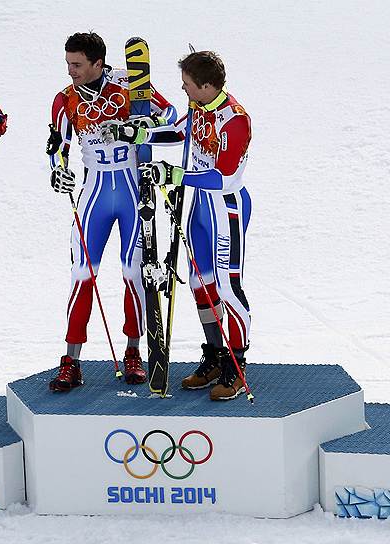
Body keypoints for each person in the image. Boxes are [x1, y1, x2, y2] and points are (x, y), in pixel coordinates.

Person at [107, 50, 252, 401]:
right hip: (198, 208)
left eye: (187, 85)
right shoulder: (201, 107)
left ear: (206, 85)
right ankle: (215, 356)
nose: (183, 90)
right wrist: (138, 135)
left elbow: (224, 176)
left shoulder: (234, 119)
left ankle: (237, 367)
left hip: (224, 207)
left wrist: (175, 175)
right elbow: (177, 133)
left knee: (228, 288)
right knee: (200, 284)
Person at [46, 32, 176, 391]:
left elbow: (170, 116)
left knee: (135, 273)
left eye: (77, 64)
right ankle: (71, 360)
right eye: (68, 64)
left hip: (134, 191)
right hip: (94, 194)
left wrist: (143, 127)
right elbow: (58, 144)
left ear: (97, 63)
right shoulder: (65, 99)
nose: (70, 71)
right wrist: (58, 170)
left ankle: (134, 351)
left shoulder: (130, 84)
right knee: (82, 274)